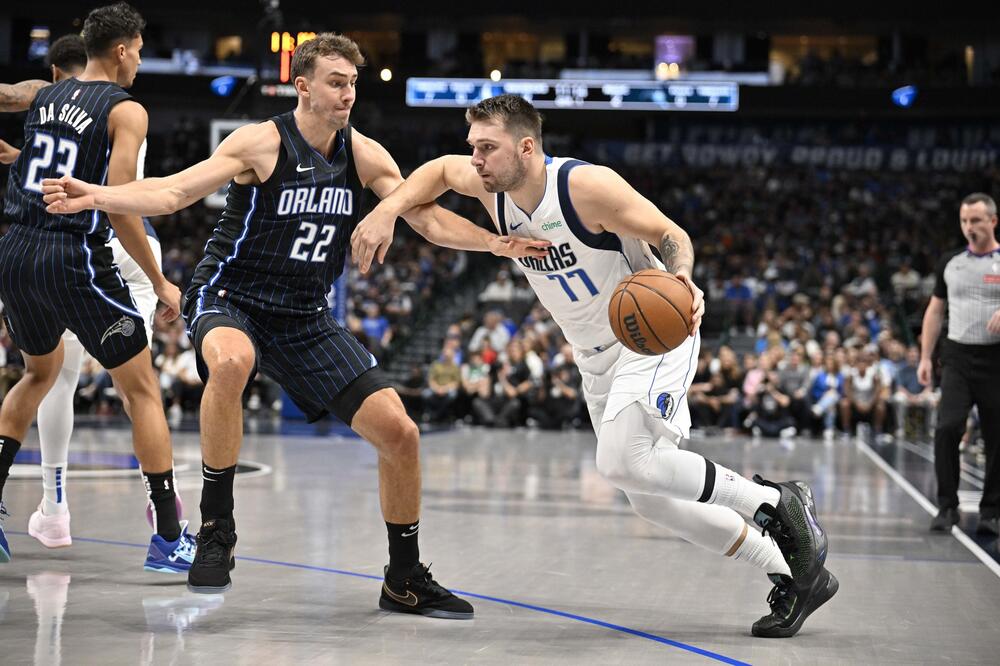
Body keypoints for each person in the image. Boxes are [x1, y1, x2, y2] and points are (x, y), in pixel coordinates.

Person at [41, 34, 546, 616]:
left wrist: (496, 243)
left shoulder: (365, 155)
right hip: (231, 295)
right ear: (303, 86)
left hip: (304, 314)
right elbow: (176, 191)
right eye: (336, 81)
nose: (348, 93)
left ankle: (403, 577)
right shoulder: (260, 142)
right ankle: (216, 529)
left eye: (353, 83)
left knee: (400, 434)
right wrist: (97, 195)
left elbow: (427, 221)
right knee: (231, 362)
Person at [351, 94, 837, 637]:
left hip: (651, 337)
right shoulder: (496, 193)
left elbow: (671, 235)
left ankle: (777, 501)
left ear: (527, 147)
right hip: (594, 357)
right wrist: (390, 210)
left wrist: (681, 276)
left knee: (621, 461)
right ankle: (793, 572)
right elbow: (438, 174)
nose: (476, 159)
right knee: (651, 502)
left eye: (487, 148)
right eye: (474, 148)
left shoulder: (585, 188)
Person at [0, 4, 195, 572]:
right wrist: (161, 282)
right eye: (138, 48)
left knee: (38, 376)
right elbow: (121, 205)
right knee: (141, 391)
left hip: (16, 253)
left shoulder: (43, 95)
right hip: (74, 258)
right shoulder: (126, 109)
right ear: (122, 50)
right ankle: (166, 536)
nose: (138, 59)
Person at [919, 192, 1000, 535]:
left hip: (996, 359)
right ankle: (947, 506)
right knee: (948, 427)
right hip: (957, 356)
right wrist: (925, 356)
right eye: (965, 221)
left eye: (977, 221)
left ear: (993, 221)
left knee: (997, 436)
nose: (970, 227)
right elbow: (936, 310)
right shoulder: (950, 263)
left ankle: (991, 512)